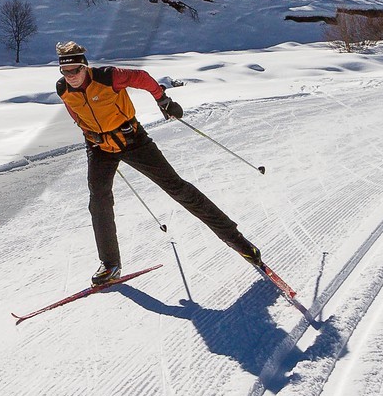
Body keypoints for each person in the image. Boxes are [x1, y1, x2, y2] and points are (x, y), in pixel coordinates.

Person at [52, 39, 261, 285]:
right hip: (100, 147)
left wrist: (163, 100)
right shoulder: (62, 88)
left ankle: (237, 240)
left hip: (132, 140)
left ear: (85, 67)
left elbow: (141, 77)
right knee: (98, 200)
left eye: (74, 70)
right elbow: (75, 113)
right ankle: (110, 265)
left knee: (176, 187)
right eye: (65, 71)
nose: (70, 76)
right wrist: (90, 134)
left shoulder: (108, 77)